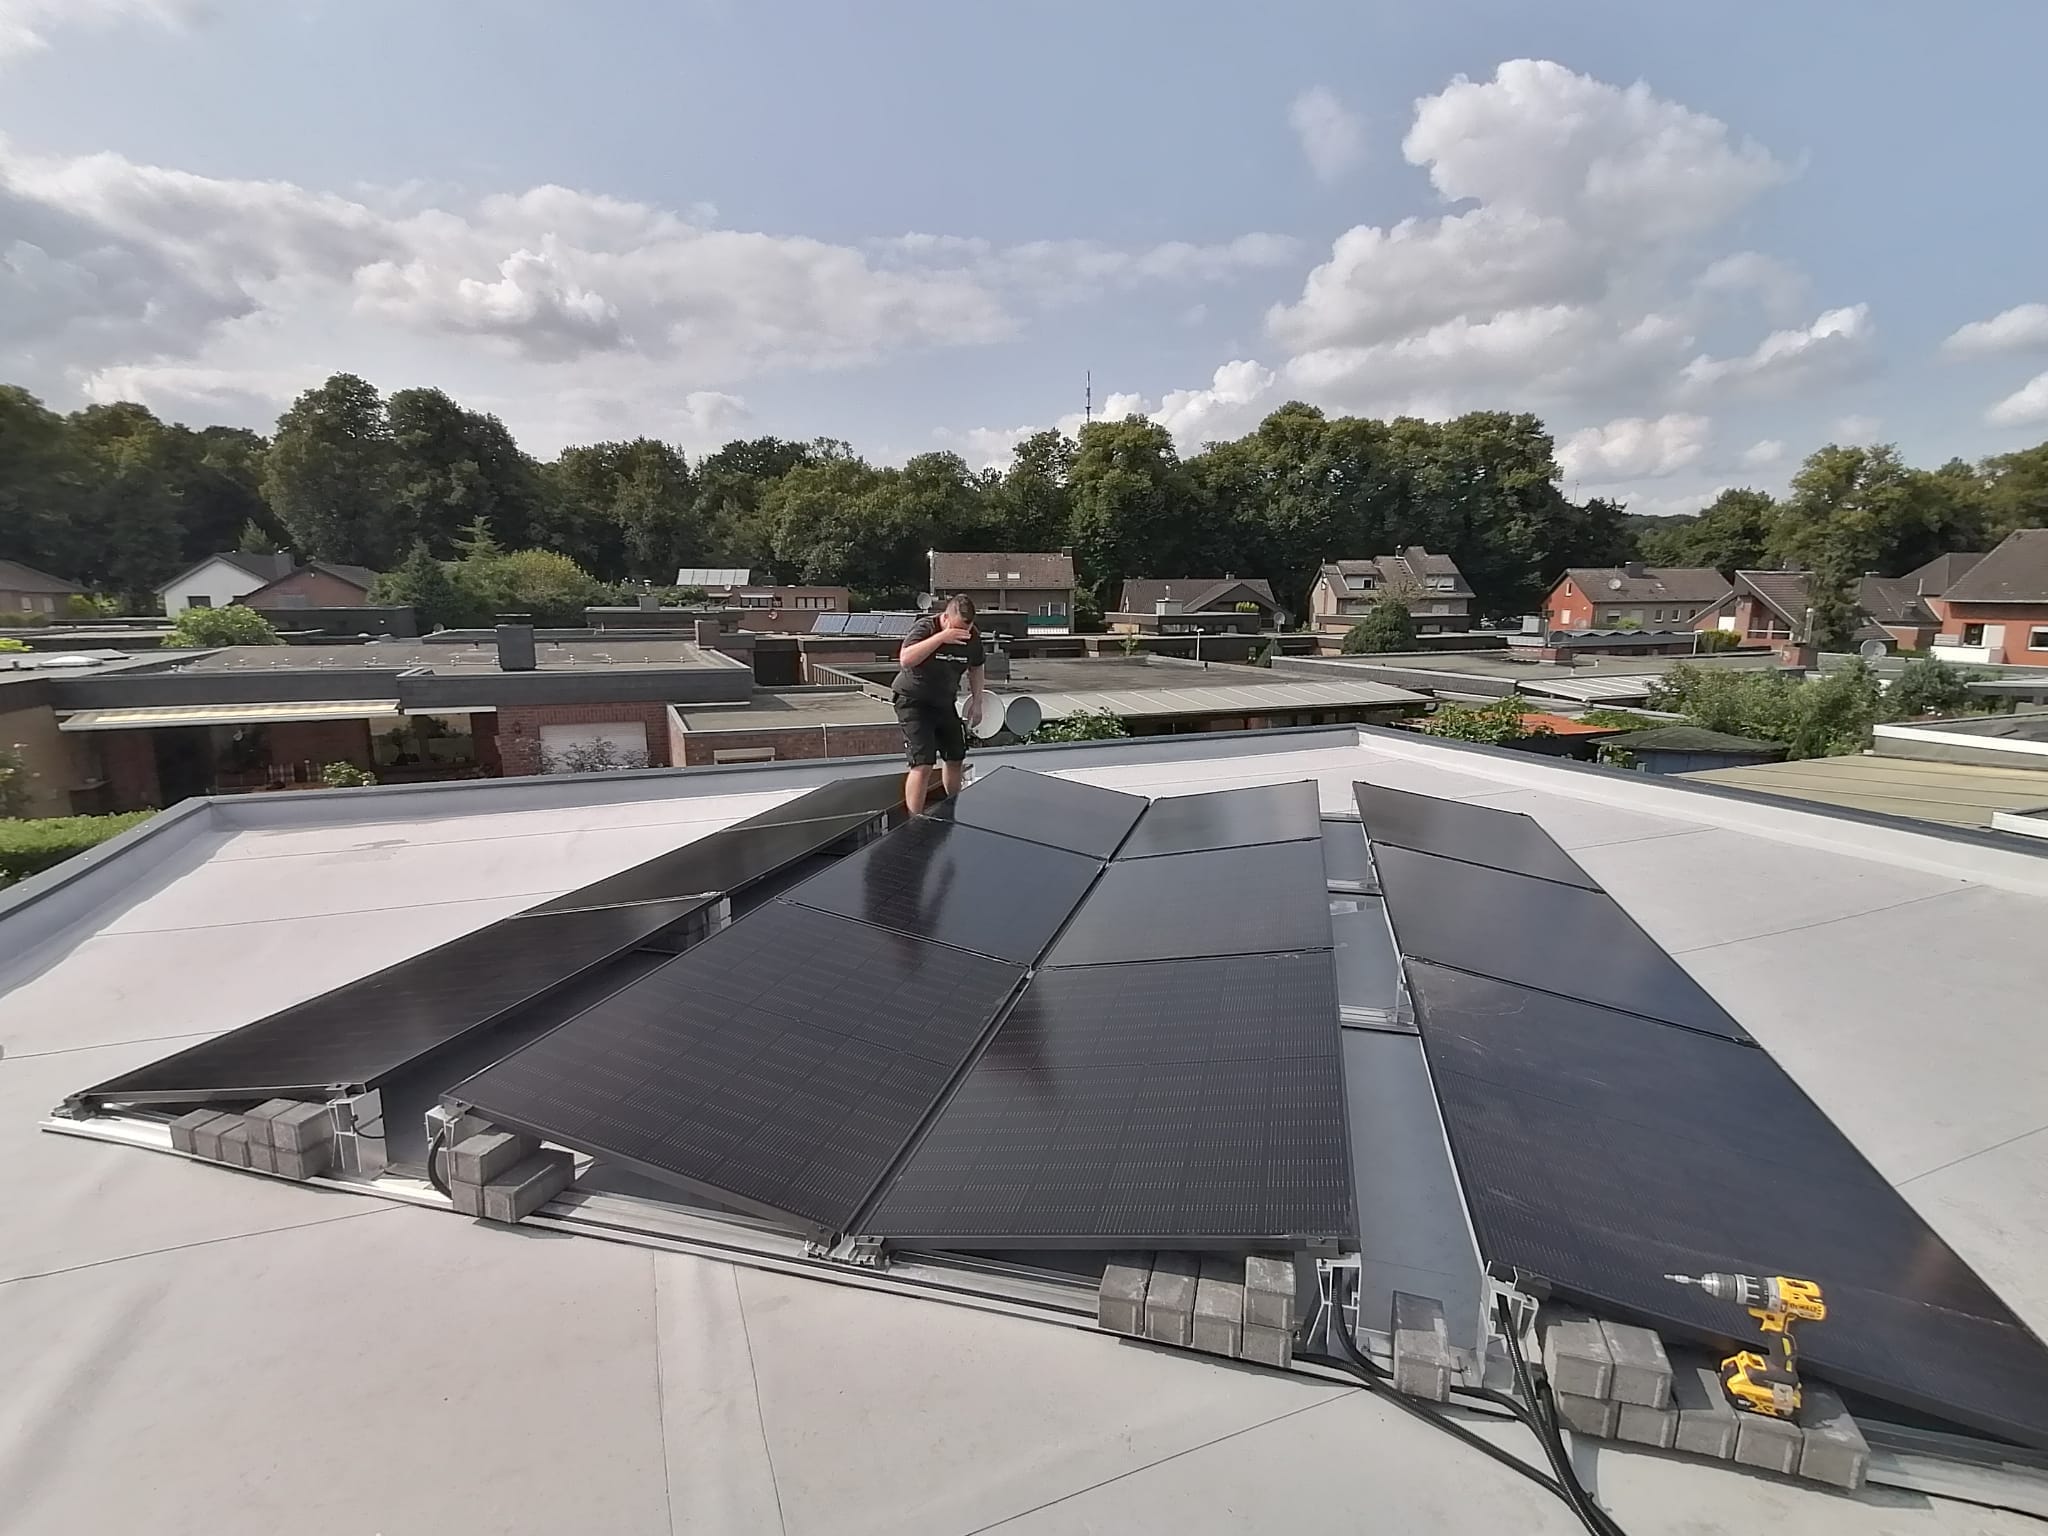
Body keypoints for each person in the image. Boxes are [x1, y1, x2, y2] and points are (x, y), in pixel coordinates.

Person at [891, 594, 988, 814]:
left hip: (944, 701)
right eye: (956, 629)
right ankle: (915, 819)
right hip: (914, 701)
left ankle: (953, 807)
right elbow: (906, 659)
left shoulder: (972, 637)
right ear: (945, 618)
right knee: (923, 763)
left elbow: (977, 667)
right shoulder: (926, 628)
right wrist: (942, 638)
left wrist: (978, 702)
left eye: (965, 630)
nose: (960, 635)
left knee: (955, 756)